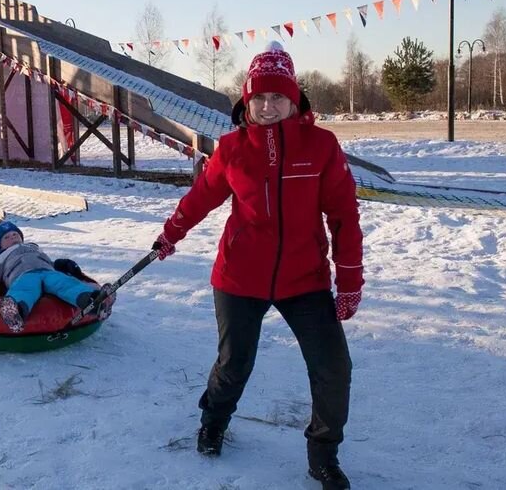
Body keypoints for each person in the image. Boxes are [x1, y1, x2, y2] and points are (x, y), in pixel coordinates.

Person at [152, 41, 362, 490]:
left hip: (304, 279)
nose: (268, 107)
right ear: (247, 100)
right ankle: (213, 421)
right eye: (259, 98)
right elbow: (200, 198)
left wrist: (349, 280)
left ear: (294, 99)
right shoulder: (231, 149)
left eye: (278, 97)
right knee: (235, 363)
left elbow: (344, 216)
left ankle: (323, 456)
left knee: (333, 366)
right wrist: (170, 234)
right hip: (239, 276)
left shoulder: (322, 147)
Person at [0, 219, 114, 333]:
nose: (13, 238)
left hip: (48, 272)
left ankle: (93, 301)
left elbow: (49, 262)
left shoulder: (33, 248)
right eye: (7, 237)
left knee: (65, 283)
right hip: (23, 276)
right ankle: (15, 311)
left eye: (15, 234)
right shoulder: (0, 257)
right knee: (24, 290)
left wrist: (63, 264)